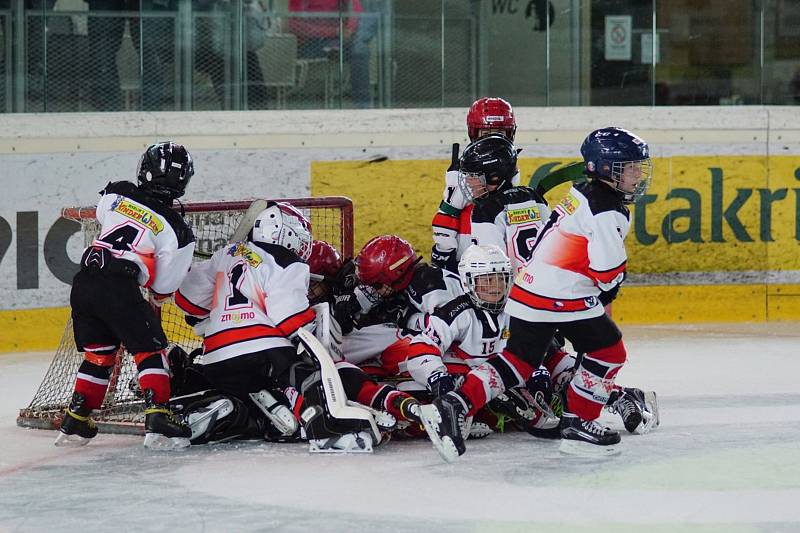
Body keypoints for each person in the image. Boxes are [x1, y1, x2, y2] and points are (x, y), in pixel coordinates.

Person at [420, 127, 656, 461]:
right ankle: (579, 424)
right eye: (629, 167)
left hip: (528, 288)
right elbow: (605, 273)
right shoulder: (606, 209)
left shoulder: (581, 191)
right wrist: (612, 281)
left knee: (518, 359)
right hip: (561, 294)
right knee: (609, 352)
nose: (637, 174)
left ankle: (454, 404)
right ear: (605, 168)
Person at [55, 141, 196, 449]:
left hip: (85, 283)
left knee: (100, 353)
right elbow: (163, 289)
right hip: (119, 286)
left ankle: (77, 417)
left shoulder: (117, 193)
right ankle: (159, 414)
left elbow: (109, 217)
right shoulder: (179, 231)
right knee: (150, 349)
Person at [431, 97, 519, 271]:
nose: (494, 139)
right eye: (487, 133)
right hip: (467, 250)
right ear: (474, 133)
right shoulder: (464, 170)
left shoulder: (511, 163)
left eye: (500, 133)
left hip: (502, 252)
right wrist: (444, 252)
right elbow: (447, 214)